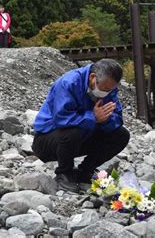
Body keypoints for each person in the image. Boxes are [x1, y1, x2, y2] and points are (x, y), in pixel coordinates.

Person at [32, 59, 130, 192]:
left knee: (121, 135)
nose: (107, 93)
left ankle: (85, 172)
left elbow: (117, 119)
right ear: (92, 77)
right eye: (105, 89)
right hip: (48, 141)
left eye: (111, 89)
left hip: (81, 138)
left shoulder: (109, 88)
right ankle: (64, 174)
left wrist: (105, 120)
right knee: (74, 131)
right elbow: (61, 119)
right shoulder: (68, 83)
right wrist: (93, 117)